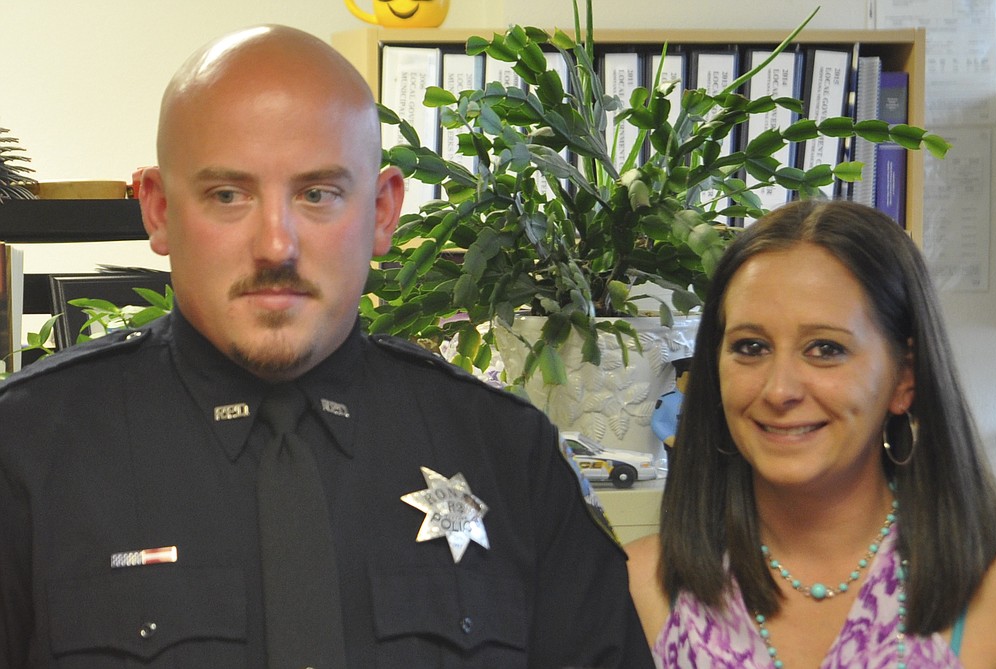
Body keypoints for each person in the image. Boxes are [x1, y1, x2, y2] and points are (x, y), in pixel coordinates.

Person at [0, 25, 652, 668]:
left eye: (318, 194)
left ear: (382, 211)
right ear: (160, 210)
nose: (276, 245)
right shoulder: (24, 453)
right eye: (227, 195)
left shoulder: (510, 456)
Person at [625, 200, 996, 668]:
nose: (780, 389)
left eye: (825, 349)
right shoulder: (642, 588)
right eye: (751, 347)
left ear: (904, 379)